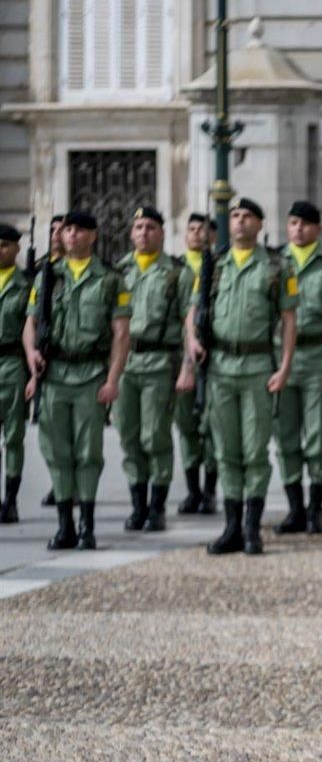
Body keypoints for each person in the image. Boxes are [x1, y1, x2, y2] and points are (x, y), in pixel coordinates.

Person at [177, 198, 297, 556]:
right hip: (220, 369)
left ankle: (251, 528)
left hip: (258, 366)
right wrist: (193, 340)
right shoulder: (213, 266)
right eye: (235, 216)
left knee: (254, 450)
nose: (240, 221)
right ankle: (230, 526)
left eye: (247, 216)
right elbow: (192, 313)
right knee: (226, 450)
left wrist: (285, 366)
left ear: (259, 225)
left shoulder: (277, 267)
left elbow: (289, 321)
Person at [24, 210, 132, 550]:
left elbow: (121, 334)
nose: (71, 235)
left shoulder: (111, 279)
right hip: (54, 374)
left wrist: (112, 379)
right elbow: (30, 323)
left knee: (88, 453)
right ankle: (64, 525)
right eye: (67, 229)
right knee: (57, 452)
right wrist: (31, 356)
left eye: (79, 230)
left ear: (93, 236)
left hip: (89, 375)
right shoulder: (47, 277)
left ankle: (86, 525)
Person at [270, 201, 322, 536]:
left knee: (318, 437)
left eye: (304, 223)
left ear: (318, 229)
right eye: (292, 223)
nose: (298, 229)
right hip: (279, 360)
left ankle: (316, 508)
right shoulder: (274, 264)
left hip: (318, 357)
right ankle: (295, 509)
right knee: (285, 437)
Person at [112, 207, 192, 533]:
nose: (144, 233)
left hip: (160, 363)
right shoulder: (119, 272)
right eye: (139, 227)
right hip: (125, 364)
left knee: (155, 435)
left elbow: (190, 323)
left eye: (151, 227)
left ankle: (157, 508)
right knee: (129, 436)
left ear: (161, 233)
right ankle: (138, 506)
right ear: (131, 233)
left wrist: (188, 367)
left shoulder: (178, 273)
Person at [174, 213, 219, 515]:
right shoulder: (176, 268)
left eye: (202, 229)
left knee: (212, 427)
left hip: (213, 356)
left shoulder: (218, 267)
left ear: (213, 235)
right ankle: (192, 490)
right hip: (179, 356)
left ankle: (210, 490)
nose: (196, 234)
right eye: (191, 229)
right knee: (187, 425)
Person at [0, 224, 31, 523]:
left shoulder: (26, 285)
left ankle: (10, 499)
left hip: (12, 365)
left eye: (5, 245)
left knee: (13, 436)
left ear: (17, 249)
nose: (0, 251)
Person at [37, 213, 64, 510]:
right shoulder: (39, 269)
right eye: (54, 229)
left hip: (70, 360)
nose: (57, 235)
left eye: (62, 230)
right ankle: (56, 481)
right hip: (40, 360)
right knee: (47, 428)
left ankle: (64, 486)